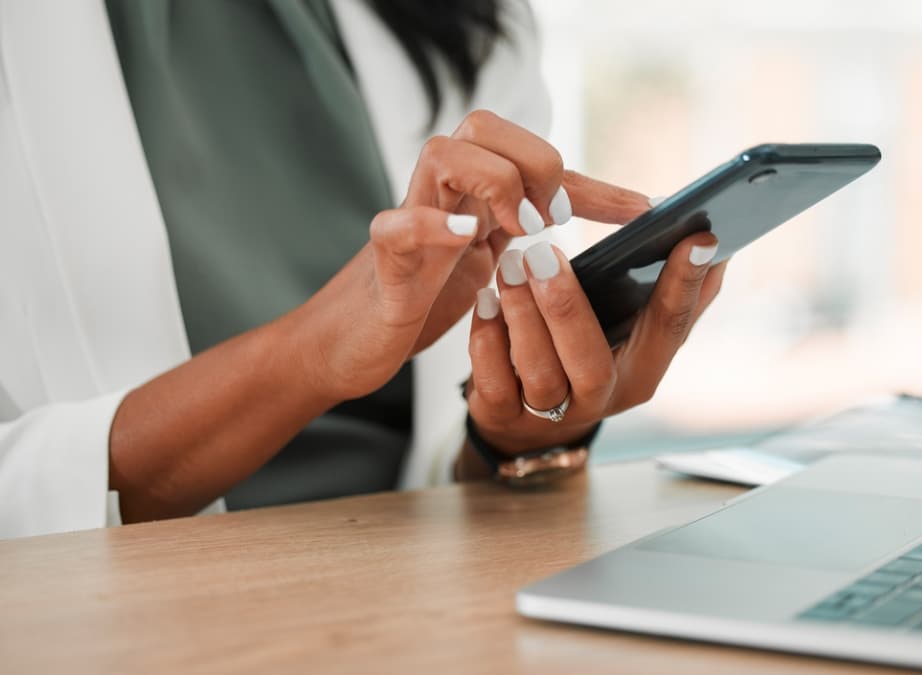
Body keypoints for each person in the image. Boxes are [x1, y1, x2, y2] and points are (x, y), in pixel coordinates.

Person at [0, 0, 726, 538]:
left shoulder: (474, 20)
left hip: (396, 592)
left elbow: (450, 474)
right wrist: (316, 352)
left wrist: (525, 430)